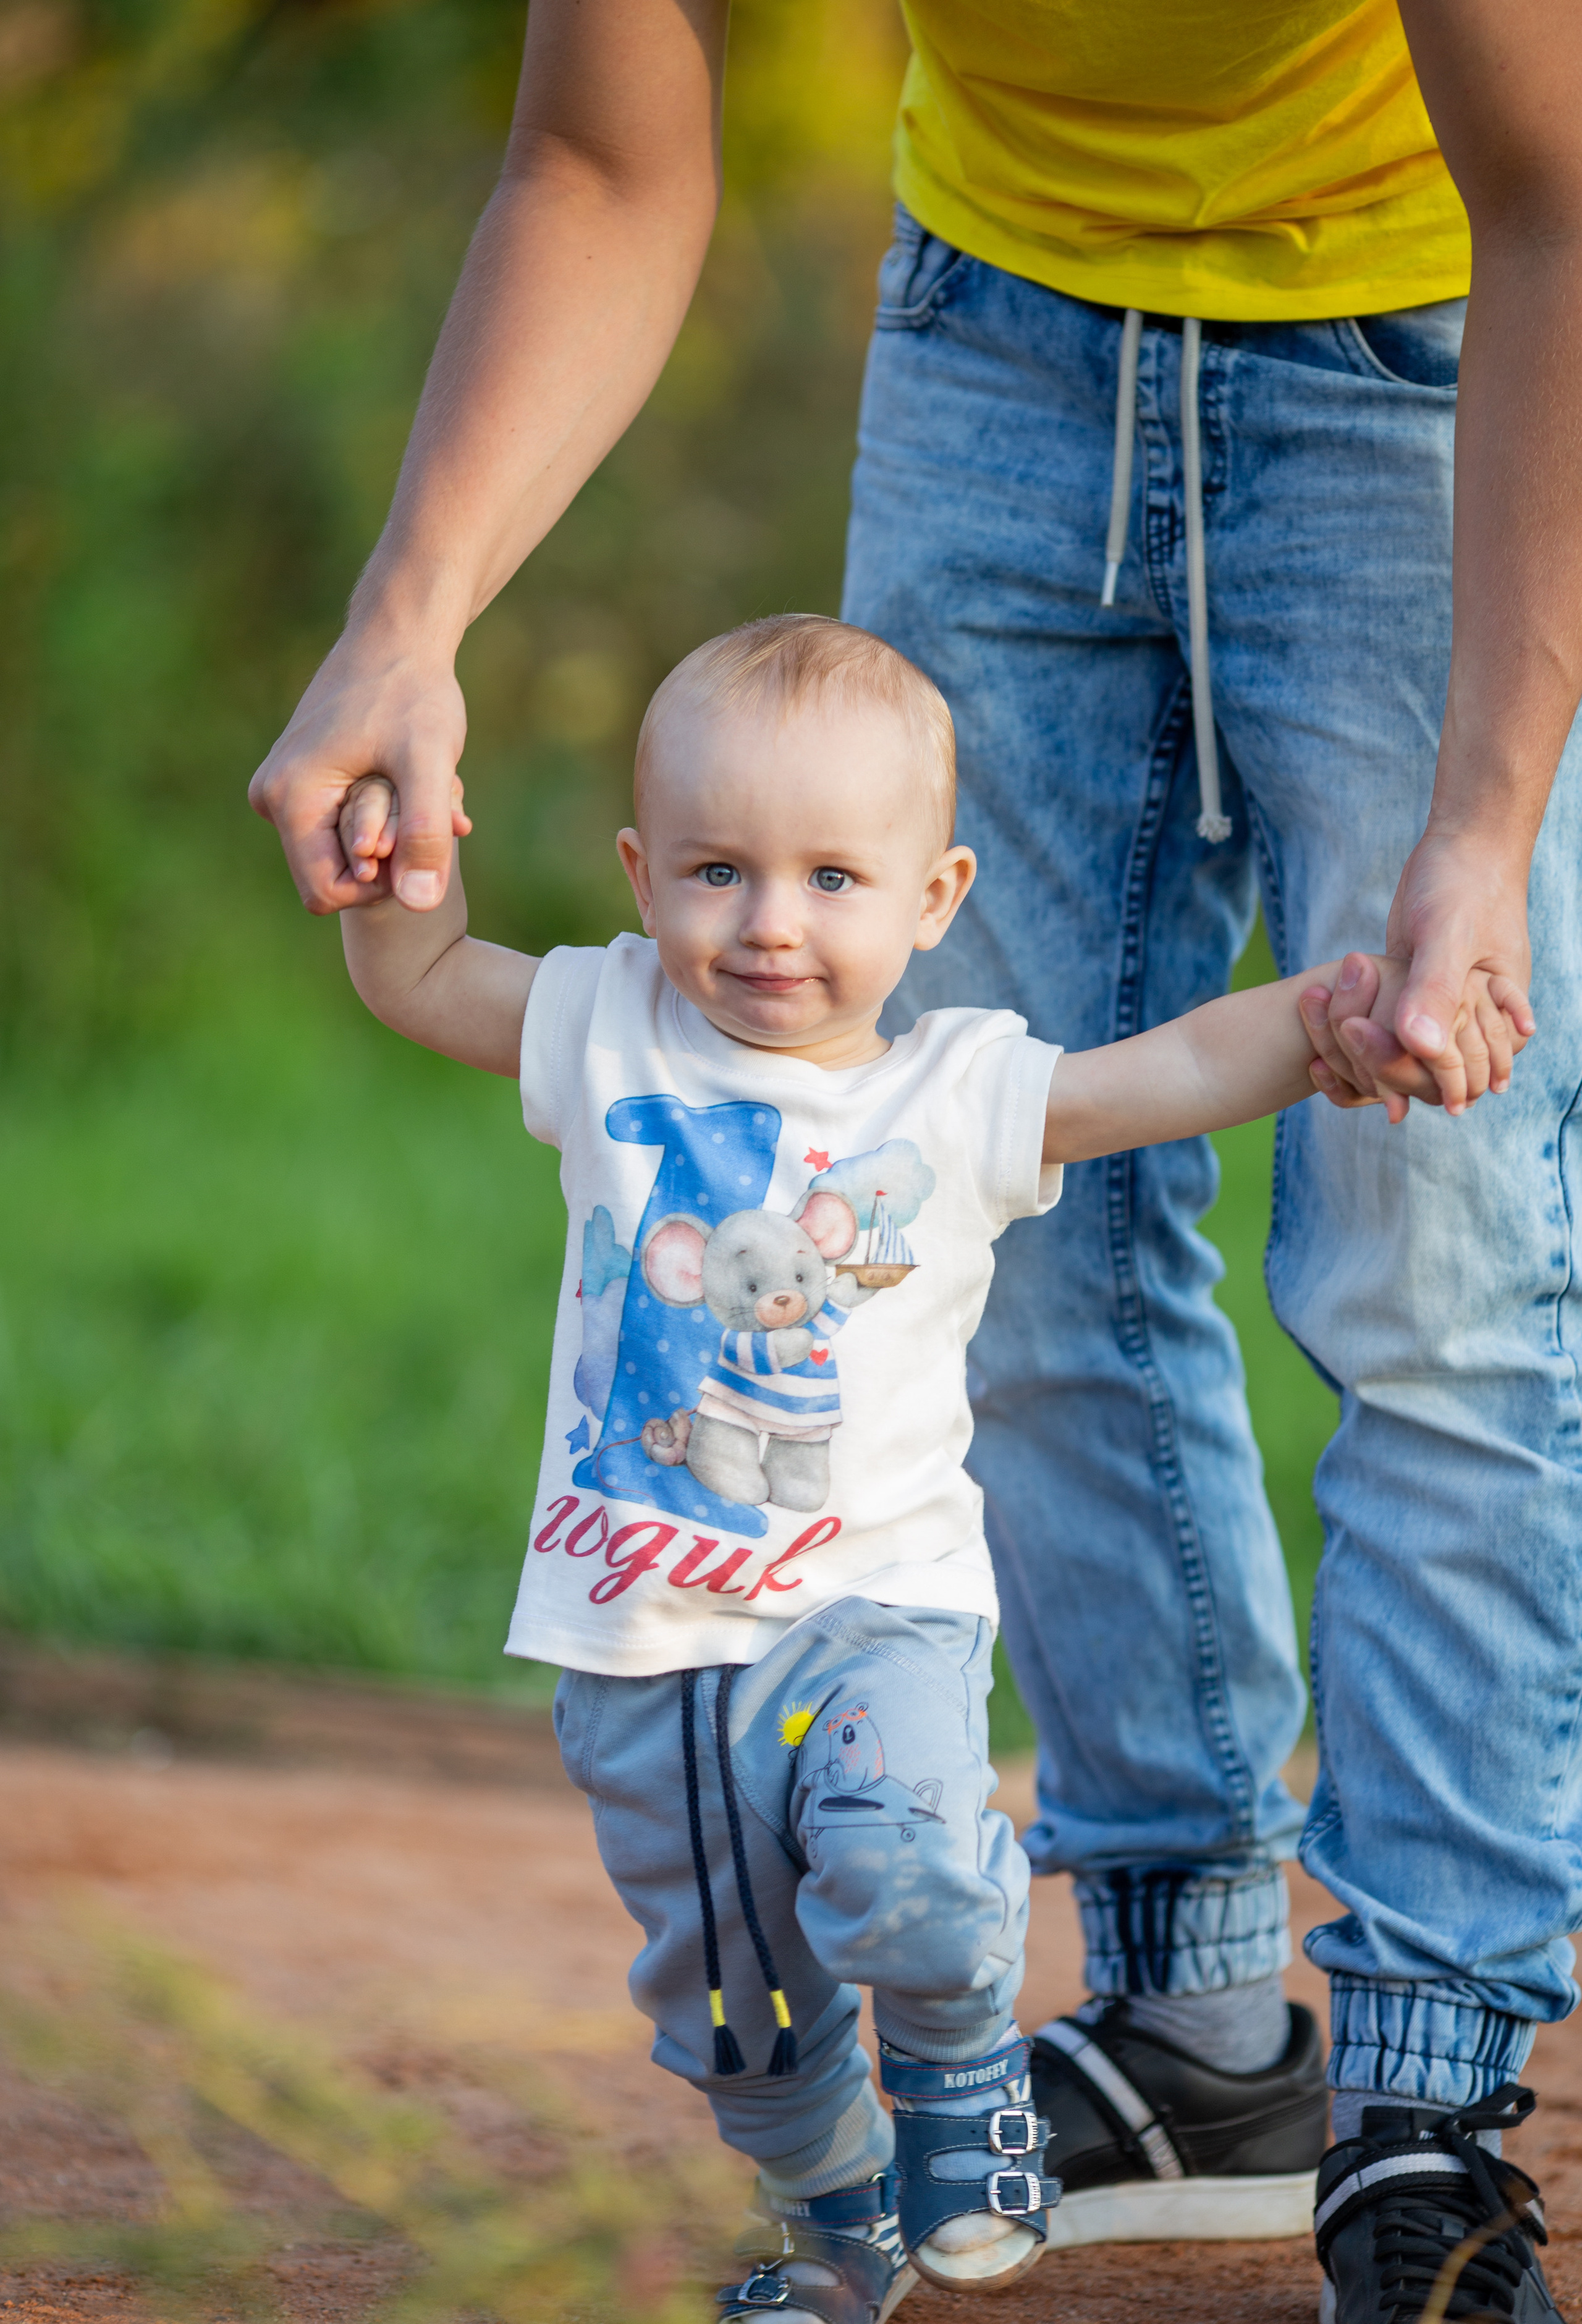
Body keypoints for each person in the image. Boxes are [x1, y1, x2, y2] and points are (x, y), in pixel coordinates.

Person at [249, 6, 1582, 2317]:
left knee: (1439, 1258)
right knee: (1007, 1247)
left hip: (1439, 340)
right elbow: (603, 156)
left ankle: (1432, 2082)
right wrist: (411, 614)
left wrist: (1486, 817)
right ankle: (1194, 2007)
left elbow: (1565, 190)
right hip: (995, 342)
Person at [328, 612, 1533, 2320]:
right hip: (641, 1652)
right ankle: (838, 2239)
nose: (770, 923)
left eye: (834, 877)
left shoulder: (950, 1093)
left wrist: (1319, 1015)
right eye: (717, 870)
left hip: (871, 1617)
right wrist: (396, 853)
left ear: (935, 897)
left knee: (908, 1869)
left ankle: (967, 2087)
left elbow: (1171, 1069)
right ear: (639, 871)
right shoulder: (606, 1026)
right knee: (738, 2021)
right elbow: (420, 979)